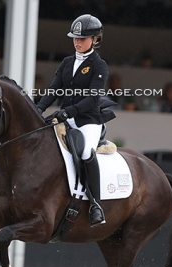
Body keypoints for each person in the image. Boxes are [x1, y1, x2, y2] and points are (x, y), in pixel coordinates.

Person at [36, 14, 115, 226]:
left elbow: (92, 98)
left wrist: (68, 112)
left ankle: (96, 204)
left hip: (88, 120)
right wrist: (38, 108)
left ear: (95, 40)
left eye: (83, 38)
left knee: (86, 151)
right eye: (75, 38)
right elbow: (53, 90)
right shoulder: (67, 62)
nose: (77, 42)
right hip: (66, 117)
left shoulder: (99, 66)